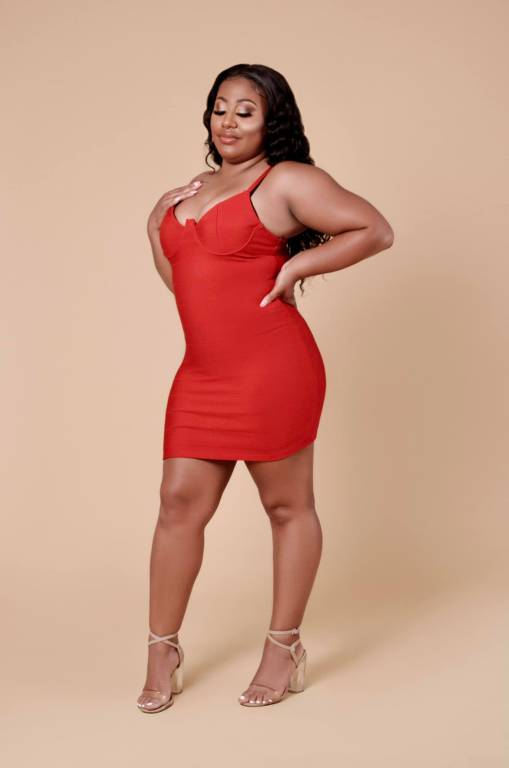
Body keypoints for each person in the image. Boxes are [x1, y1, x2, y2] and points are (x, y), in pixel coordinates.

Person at [138, 64, 394, 713]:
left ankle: (284, 648)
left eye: (244, 111)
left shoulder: (284, 180)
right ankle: (162, 650)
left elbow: (374, 228)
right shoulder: (189, 192)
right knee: (176, 505)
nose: (228, 121)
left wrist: (296, 266)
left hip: (272, 369)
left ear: (269, 120)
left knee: (286, 507)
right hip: (202, 373)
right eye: (219, 108)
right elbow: (184, 284)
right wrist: (156, 227)